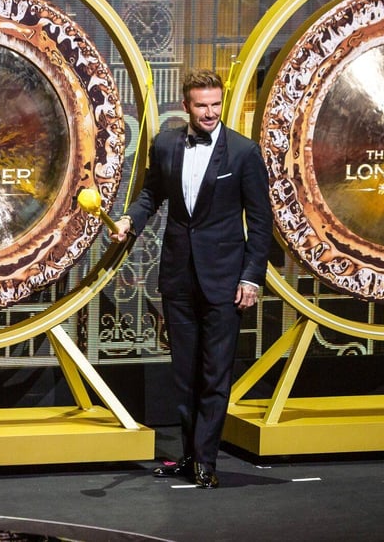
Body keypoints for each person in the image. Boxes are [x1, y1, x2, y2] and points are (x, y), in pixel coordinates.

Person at [111, 69, 272, 488]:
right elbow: (151, 195)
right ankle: (188, 455)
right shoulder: (165, 144)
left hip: (225, 279)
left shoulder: (243, 152)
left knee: (214, 375)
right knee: (184, 375)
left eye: (216, 104)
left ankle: (206, 460)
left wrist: (252, 278)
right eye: (202, 105)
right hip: (178, 275)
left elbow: (260, 222)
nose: (210, 112)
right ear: (186, 106)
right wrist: (129, 221)